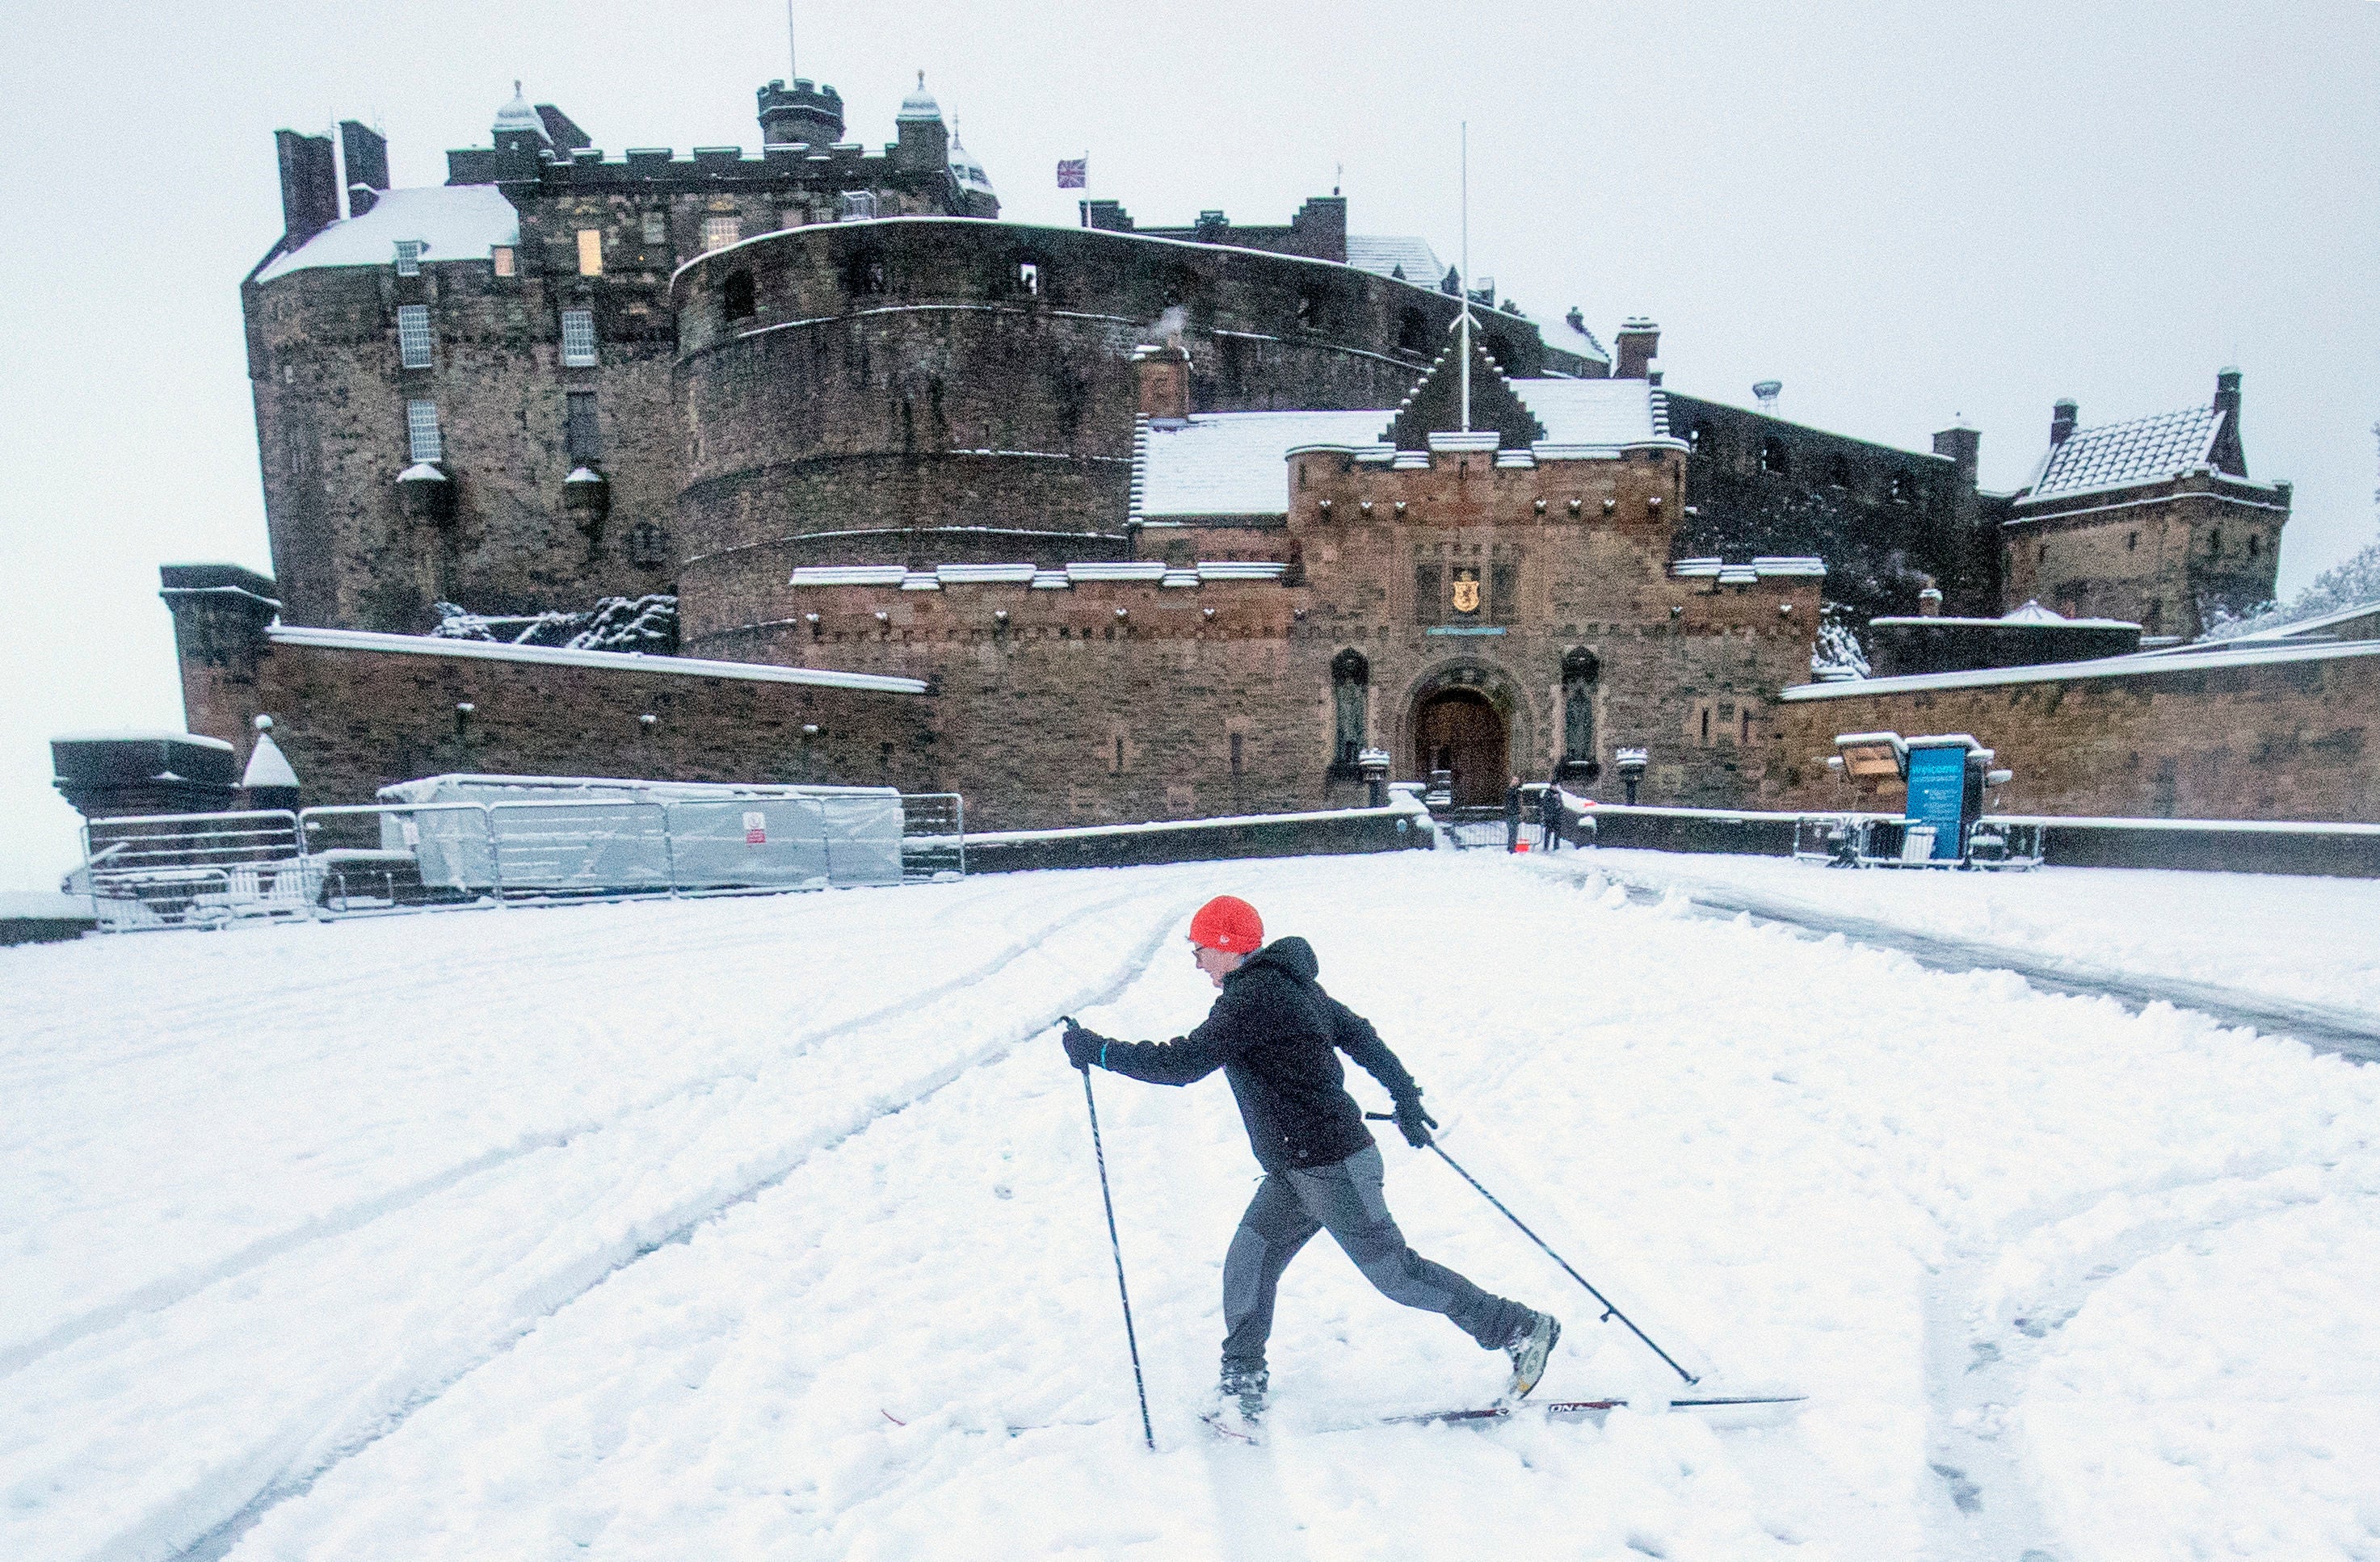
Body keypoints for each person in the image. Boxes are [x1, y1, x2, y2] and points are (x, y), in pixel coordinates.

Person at [1062, 895, 1559, 1427]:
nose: (1197, 962)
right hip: (1295, 1171)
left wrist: (1100, 1051)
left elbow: (1180, 1064)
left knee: (1395, 1273)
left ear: (1228, 947)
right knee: (1248, 1263)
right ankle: (1242, 1384)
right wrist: (1404, 1095)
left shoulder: (1253, 998)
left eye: (1201, 949)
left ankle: (1518, 1327)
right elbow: (1358, 1034)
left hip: (1333, 1165)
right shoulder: (1286, 987)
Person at [1539, 771, 1565, 850]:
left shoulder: (1558, 794)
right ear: (1552, 786)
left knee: (1557, 833)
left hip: (1557, 816)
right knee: (1548, 832)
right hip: (1550, 816)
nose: (1557, 787)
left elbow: (1561, 805)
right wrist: (1553, 801)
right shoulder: (1548, 793)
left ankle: (1556, 847)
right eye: (1556, 785)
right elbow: (1546, 805)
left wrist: (1559, 807)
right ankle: (1546, 847)